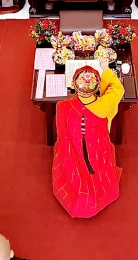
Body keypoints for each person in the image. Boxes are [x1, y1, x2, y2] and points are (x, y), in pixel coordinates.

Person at [52, 65, 125, 217]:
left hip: (74, 147)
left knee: (75, 168)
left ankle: (78, 196)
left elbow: (62, 133)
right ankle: (99, 195)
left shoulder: (62, 106)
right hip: (97, 146)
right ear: (97, 87)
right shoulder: (104, 105)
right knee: (98, 168)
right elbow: (117, 89)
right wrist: (106, 69)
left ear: (74, 86)